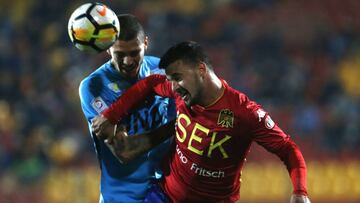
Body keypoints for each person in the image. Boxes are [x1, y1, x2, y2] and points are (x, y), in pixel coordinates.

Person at [92, 41, 311, 203]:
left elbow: (287, 149)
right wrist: (111, 115)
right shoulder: (180, 92)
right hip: (164, 196)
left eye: (177, 77)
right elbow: (150, 83)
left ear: (201, 69)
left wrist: (300, 192)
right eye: (171, 80)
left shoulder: (245, 113)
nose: (174, 86)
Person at [79, 14, 176, 203]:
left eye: (134, 53)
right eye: (120, 54)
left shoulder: (162, 69)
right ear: (108, 49)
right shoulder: (94, 86)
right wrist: (177, 126)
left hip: (166, 192)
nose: (128, 61)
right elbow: (124, 152)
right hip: (123, 197)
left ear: (146, 43)